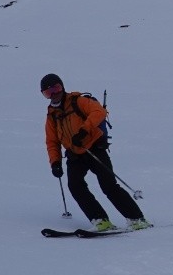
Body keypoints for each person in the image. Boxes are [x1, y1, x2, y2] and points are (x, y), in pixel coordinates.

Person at [41, 73, 151, 231]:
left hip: (93, 148)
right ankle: (100, 220)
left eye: (56, 88)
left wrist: (84, 131)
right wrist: (55, 162)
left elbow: (99, 111)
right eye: (48, 92)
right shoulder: (52, 115)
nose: (53, 94)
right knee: (75, 186)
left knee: (108, 185)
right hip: (75, 154)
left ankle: (137, 219)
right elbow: (52, 141)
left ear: (62, 87)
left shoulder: (78, 101)